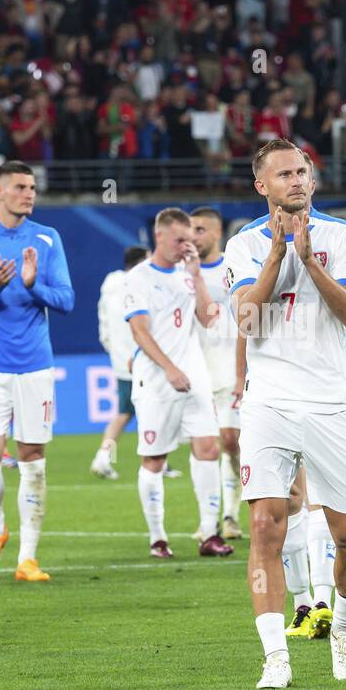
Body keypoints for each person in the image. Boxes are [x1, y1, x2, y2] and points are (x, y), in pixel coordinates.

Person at [225, 138, 346, 688]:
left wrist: (309, 257)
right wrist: (280, 254)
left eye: (303, 171)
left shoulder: (340, 237)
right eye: (285, 174)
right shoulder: (243, 246)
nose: (298, 181)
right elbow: (246, 321)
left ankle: (345, 633)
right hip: (269, 402)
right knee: (265, 524)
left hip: (331, 402)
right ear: (262, 185)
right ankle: (275, 656)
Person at [0, 160, 75, 584]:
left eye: (32, 187)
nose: (29, 194)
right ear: (0, 191)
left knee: (32, 458)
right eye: (20, 187)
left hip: (35, 366)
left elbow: (65, 299)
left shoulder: (48, 237)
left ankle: (28, 557)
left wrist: (32, 286)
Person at [125, 208, 232, 559]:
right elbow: (139, 330)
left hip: (194, 377)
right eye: (180, 240)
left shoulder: (189, 275)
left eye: (190, 239)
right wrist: (169, 368)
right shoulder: (139, 277)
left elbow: (208, 319)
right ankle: (158, 537)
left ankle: (210, 533)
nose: (188, 246)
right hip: (156, 381)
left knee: (209, 448)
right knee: (155, 459)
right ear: (160, 237)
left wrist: (198, 277)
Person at [189, 206, 246, 541]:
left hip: (229, 368)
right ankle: (209, 518)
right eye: (191, 229)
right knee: (204, 447)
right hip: (197, 370)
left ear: (216, 233)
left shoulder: (232, 266)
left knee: (230, 441)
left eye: (200, 230)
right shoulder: (184, 271)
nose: (194, 236)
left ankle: (231, 513)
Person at [91, 246, 149, 479]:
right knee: (133, 412)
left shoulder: (109, 290)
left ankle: (106, 458)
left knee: (127, 411)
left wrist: (114, 352)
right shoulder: (138, 289)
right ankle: (105, 457)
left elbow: (103, 328)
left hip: (121, 360)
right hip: (141, 358)